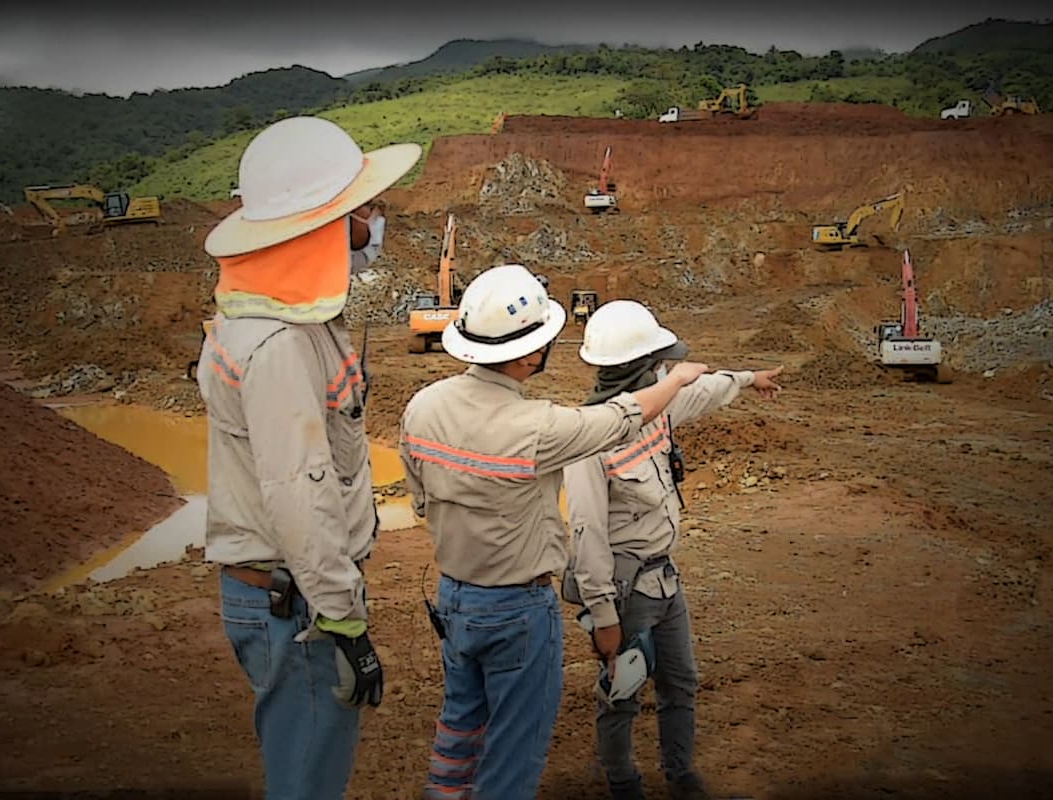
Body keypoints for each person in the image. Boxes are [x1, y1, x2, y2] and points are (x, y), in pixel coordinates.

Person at [399, 264, 713, 800]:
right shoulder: (537, 426)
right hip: (516, 609)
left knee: (459, 733)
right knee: (513, 754)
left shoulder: (422, 407)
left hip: (454, 597)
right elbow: (618, 418)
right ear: (529, 353)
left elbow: (421, 499)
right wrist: (678, 379)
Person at [194, 115, 421, 800]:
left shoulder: (282, 321)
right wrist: (344, 618)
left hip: (286, 597)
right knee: (308, 783)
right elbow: (301, 489)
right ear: (321, 226)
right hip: (294, 605)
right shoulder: (282, 345)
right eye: (363, 211)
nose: (375, 222)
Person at [561, 300, 783, 800]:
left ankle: (680, 776)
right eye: (660, 364)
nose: (667, 370)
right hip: (626, 591)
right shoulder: (589, 439)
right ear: (642, 371)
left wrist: (749, 379)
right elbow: (587, 534)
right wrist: (603, 615)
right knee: (621, 695)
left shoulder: (657, 410)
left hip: (665, 579)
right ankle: (624, 785)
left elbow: (703, 390)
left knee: (680, 682)